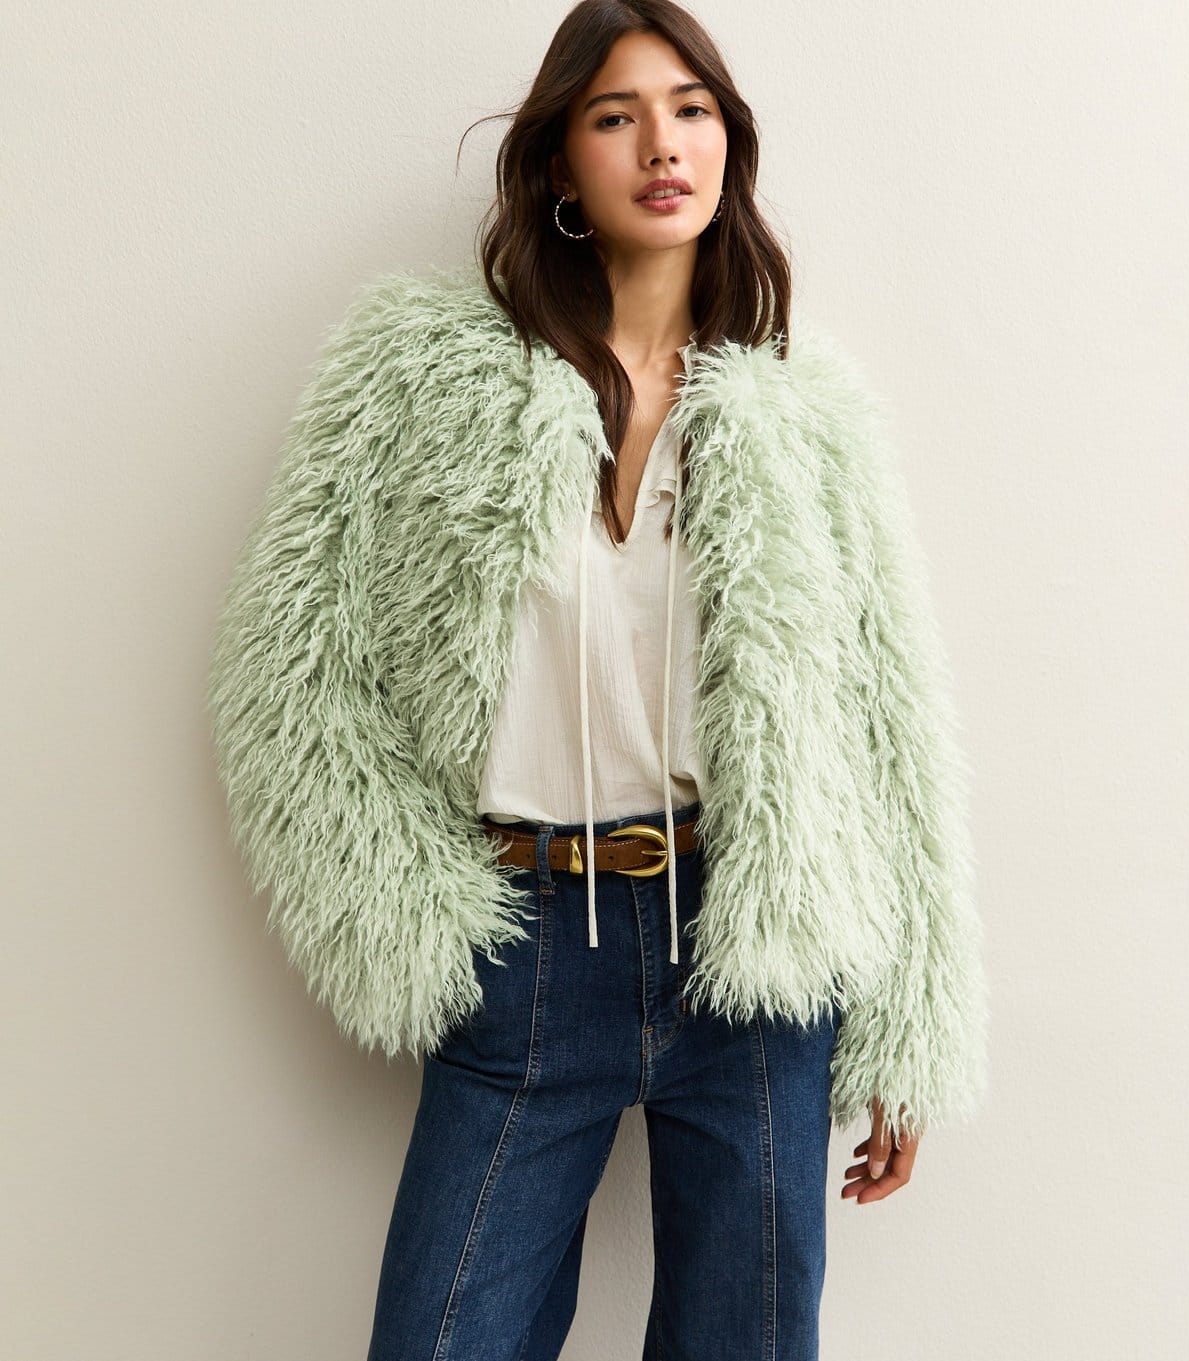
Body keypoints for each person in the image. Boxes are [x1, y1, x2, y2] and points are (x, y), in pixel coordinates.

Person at [206, 3, 988, 1358]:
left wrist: (911, 1021)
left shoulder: (805, 414)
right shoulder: (423, 383)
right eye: (616, 116)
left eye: (691, 111)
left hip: (751, 955)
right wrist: (413, 924)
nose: (661, 146)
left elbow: (887, 721)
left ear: (730, 146)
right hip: (520, 945)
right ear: (562, 163)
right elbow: (290, 662)